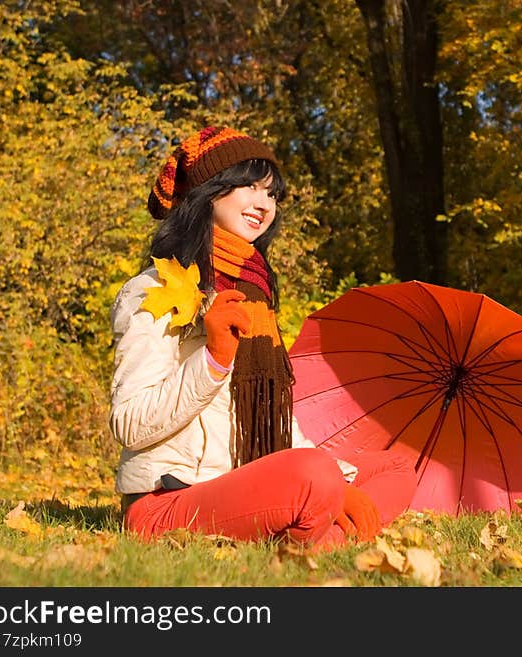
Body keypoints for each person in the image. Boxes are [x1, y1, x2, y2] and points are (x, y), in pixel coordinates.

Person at [108, 125, 417, 548]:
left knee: (396, 467)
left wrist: (338, 476)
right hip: (170, 500)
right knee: (315, 476)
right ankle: (325, 530)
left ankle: (323, 539)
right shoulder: (154, 291)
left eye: (272, 194)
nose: (263, 204)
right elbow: (130, 424)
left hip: (246, 483)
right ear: (210, 191)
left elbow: (276, 421)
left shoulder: (255, 293)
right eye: (250, 187)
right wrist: (213, 359)